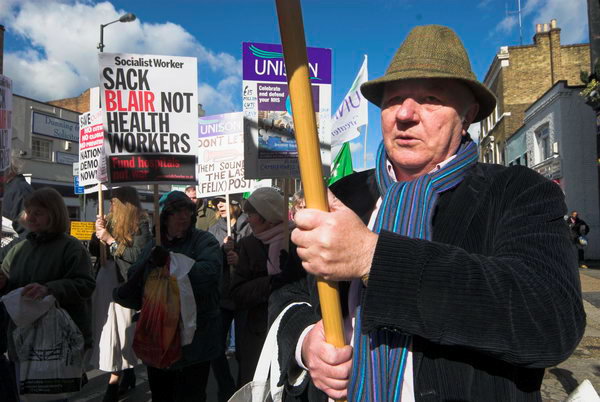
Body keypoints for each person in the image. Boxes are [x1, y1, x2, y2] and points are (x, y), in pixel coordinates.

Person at [270, 25, 585, 401]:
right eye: (394, 98)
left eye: (431, 98)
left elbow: (550, 320)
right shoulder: (343, 196)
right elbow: (287, 292)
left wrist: (373, 258)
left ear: (466, 115)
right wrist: (306, 342)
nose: (405, 113)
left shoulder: (517, 192)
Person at [114, 191, 222, 402]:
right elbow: (135, 278)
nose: (183, 216)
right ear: (165, 216)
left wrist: (172, 263)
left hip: (196, 338)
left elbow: (210, 274)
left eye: (187, 211)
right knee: (162, 394)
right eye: (176, 212)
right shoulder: (154, 243)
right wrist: (147, 264)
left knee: (191, 396)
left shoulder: (204, 240)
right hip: (159, 335)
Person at [0, 188, 95, 380]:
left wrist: (50, 289)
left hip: (57, 340)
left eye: (38, 212)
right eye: (29, 212)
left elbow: (85, 285)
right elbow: (9, 283)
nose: (31, 217)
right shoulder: (19, 248)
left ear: (54, 214)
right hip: (23, 338)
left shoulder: (71, 247)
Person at [229, 187, 301, 387]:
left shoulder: (298, 238)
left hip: (294, 330)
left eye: (251, 214)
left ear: (267, 217)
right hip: (258, 334)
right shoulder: (248, 245)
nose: (248, 219)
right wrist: (271, 282)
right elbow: (237, 293)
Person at [89, 187, 152, 401]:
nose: (111, 206)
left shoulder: (141, 224)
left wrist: (110, 240)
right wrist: (97, 233)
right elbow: (94, 251)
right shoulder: (109, 221)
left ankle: (117, 378)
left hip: (125, 285)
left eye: (114, 202)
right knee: (108, 332)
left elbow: (137, 256)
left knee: (124, 331)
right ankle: (121, 374)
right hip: (105, 283)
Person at [207, 195, 252, 400]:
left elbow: (259, 261)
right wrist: (222, 252)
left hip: (243, 296)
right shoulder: (214, 230)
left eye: (223, 201)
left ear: (235, 204)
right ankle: (226, 388)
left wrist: (240, 258)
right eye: (217, 202)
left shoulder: (249, 227)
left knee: (245, 349)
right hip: (222, 296)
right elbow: (209, 261)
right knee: (215, 347)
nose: (219, 205)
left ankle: (244, 390)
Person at [0, 157, 34, 262]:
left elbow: (29, 236)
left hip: (14, 267)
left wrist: (2, 255)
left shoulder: (18, 191)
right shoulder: (11, 189)